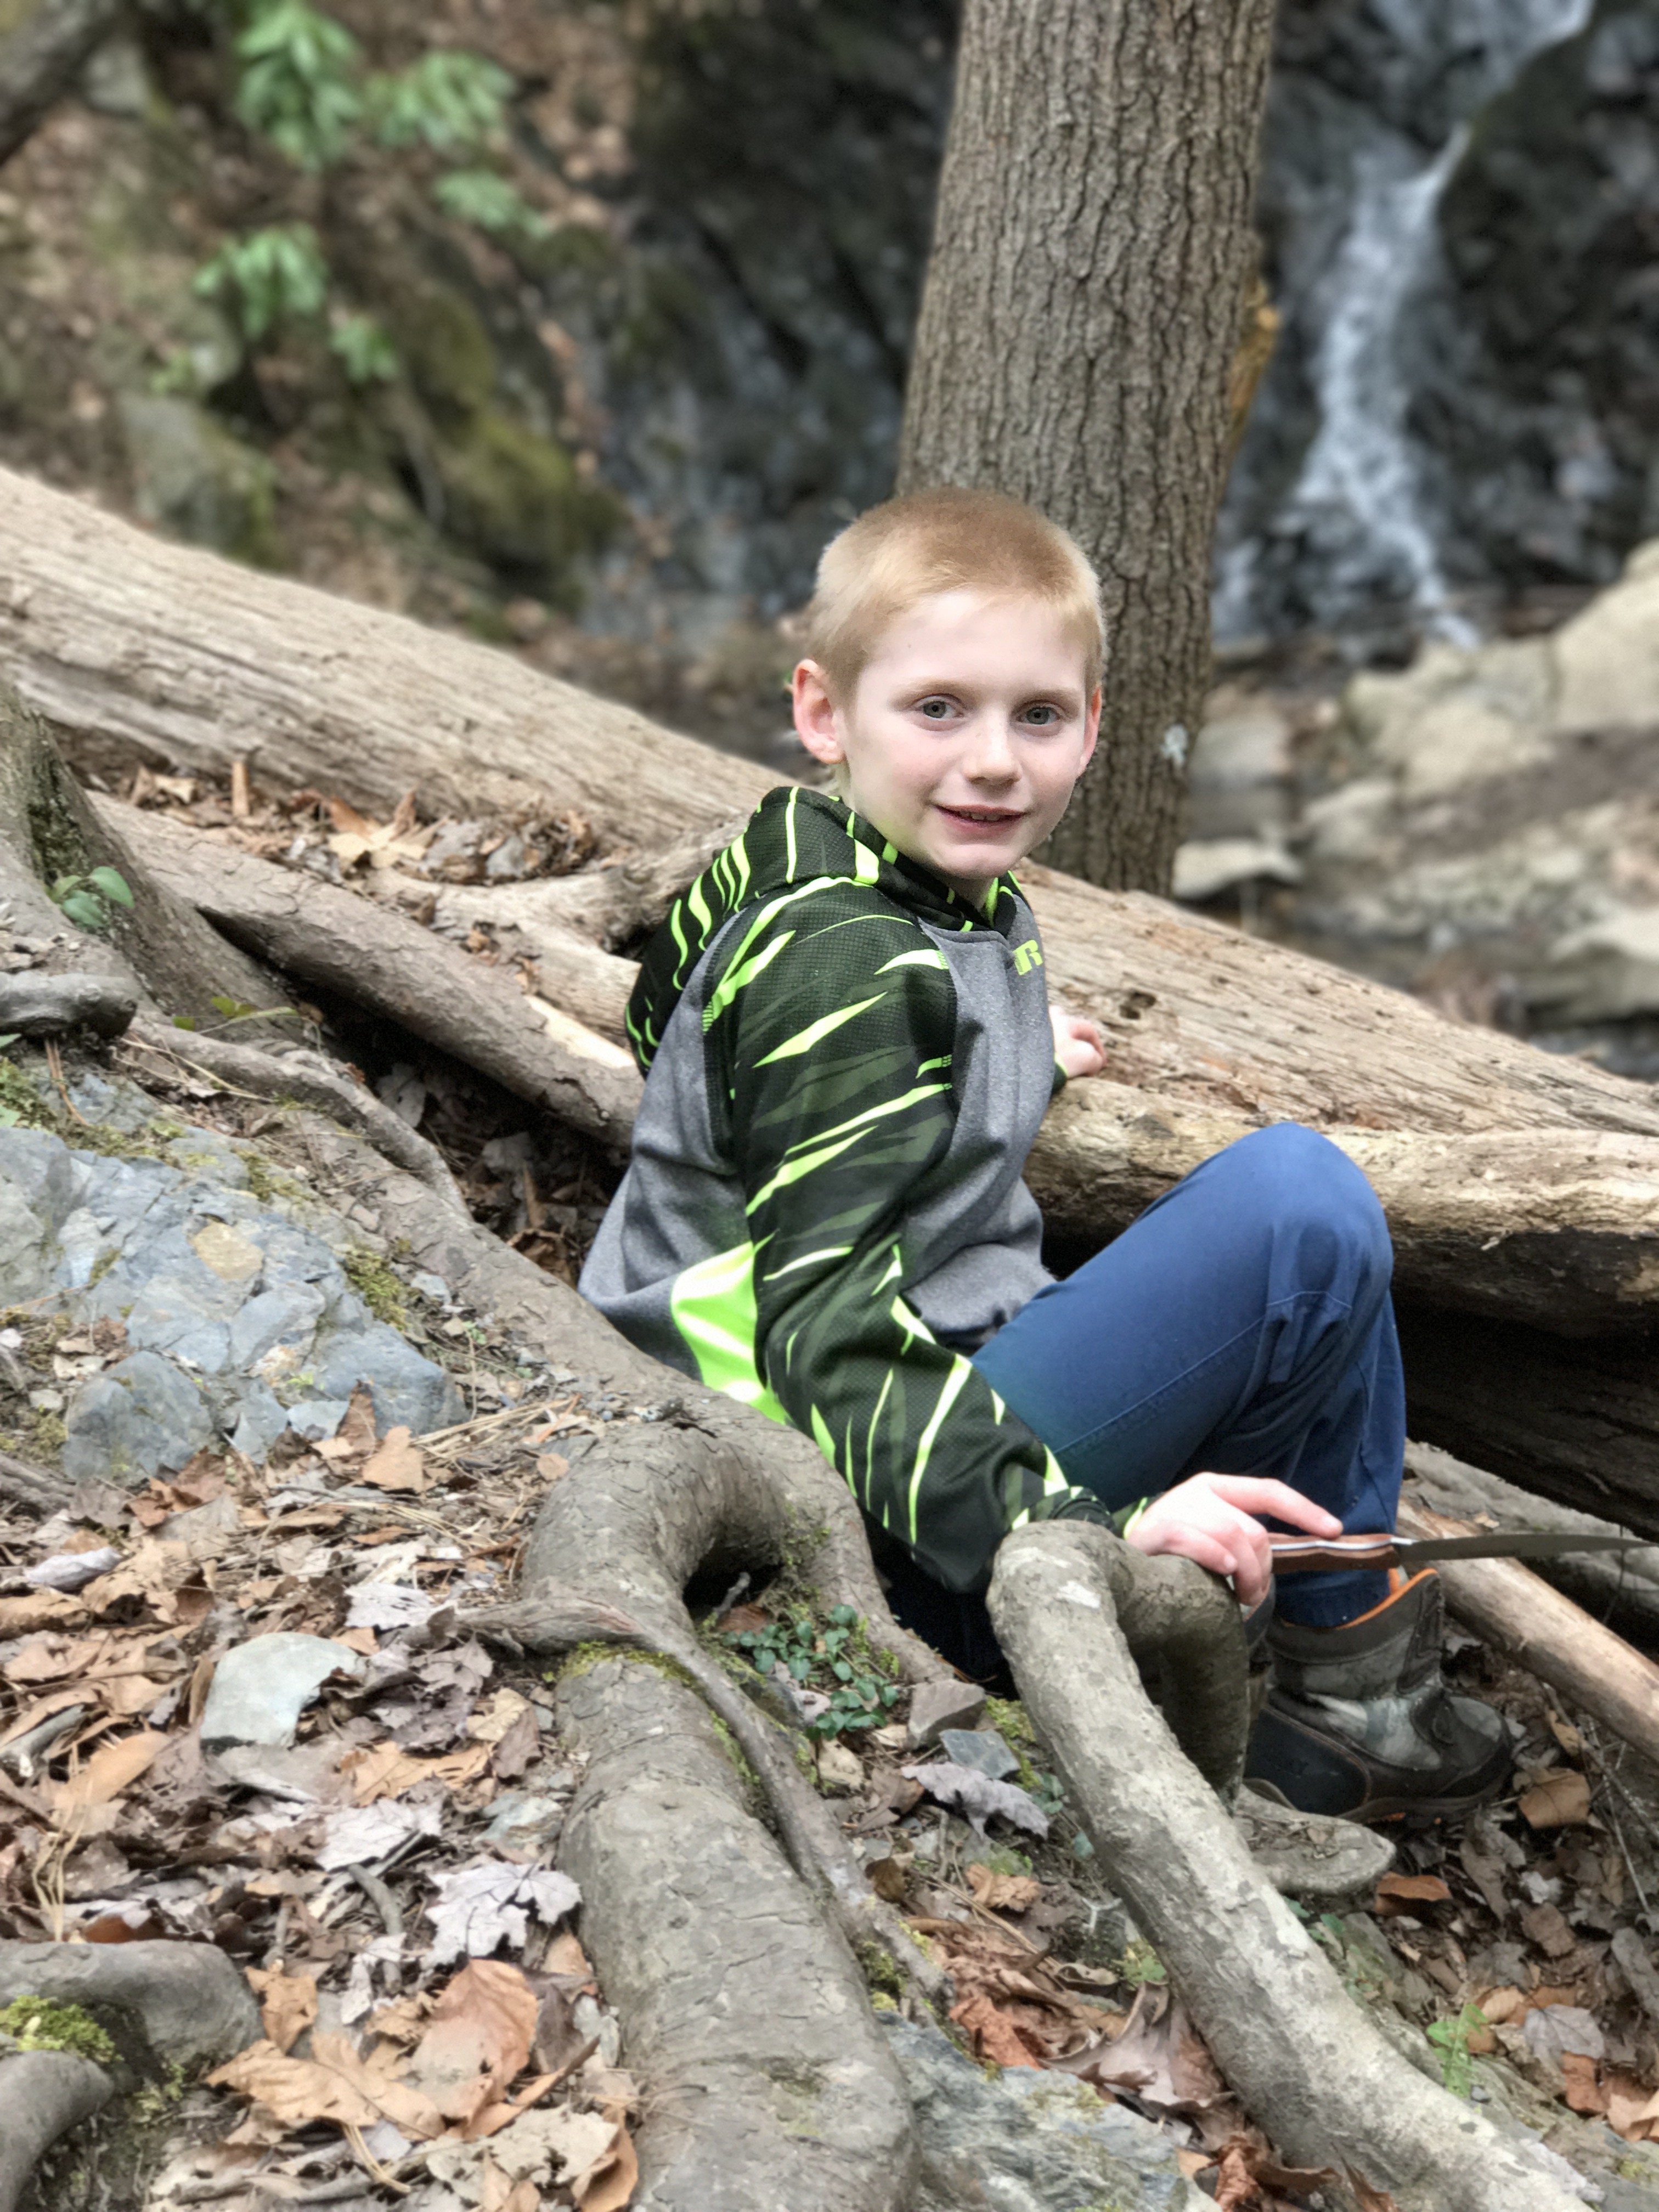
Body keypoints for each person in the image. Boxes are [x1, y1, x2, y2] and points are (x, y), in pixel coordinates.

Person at [579, 487, 1507, 1826]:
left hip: (901, 1435)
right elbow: (824, 1335)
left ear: (1092, 729)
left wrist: (979, 1057)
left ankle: (1345, 1663)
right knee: (1301, 1208)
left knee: (1304, 1243)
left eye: (1038, 717)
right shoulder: (850, 970)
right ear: (825, 710)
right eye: (938, 708)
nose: (993, 762)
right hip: (874, 1527)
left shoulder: (809, 854)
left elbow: (662, 1011)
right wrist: (1084, 1532)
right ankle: (1347, 1691)